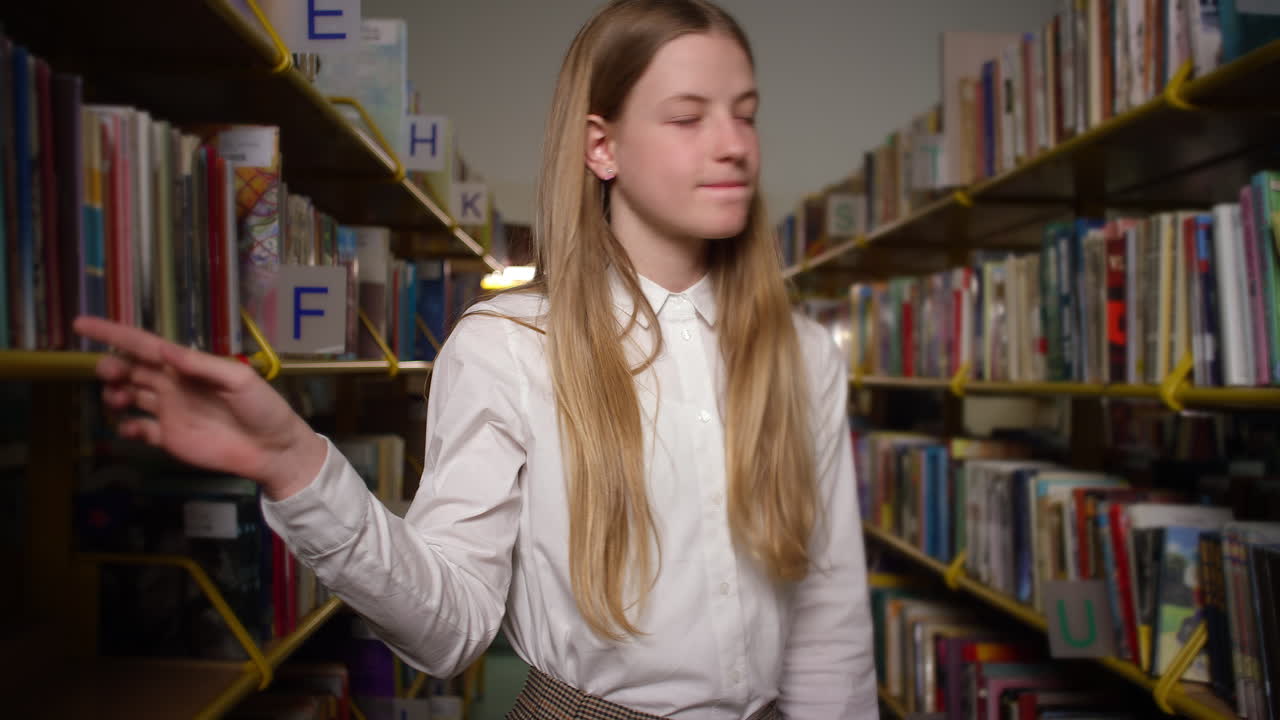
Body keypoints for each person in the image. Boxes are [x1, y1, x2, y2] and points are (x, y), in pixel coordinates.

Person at [74, 0, 878, 717]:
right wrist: (297, 467)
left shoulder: (801, 356)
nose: (733, 144)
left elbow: (829, 621)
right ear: (602, 146)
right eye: (688, 117)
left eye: (746, 113)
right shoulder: (510, 346)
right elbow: (451, 627)